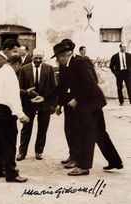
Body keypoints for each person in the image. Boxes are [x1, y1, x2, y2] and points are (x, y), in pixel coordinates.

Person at [51, 39, 107, 176]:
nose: (57, 61)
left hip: (92, 103)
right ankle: (115, 161)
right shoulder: (65, 66)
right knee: (98, 133)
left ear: (65, 54)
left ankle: (84, 167)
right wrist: (46, 97)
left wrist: (76, 99)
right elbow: (61, 87)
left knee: (87, 135)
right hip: (84, 104)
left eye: (58, 58)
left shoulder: (80, 63)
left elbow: (90, 84)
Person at [0, 54, 29, 182]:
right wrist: (21, 114)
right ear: (17, 64)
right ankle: (11, 173)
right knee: (9, 143)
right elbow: (13, 97)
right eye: (19, 66)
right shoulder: (11, 75)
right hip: (6, 111)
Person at [16, 48, 56, 161]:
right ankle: (22, 152)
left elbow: (53, 87)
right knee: (26, 129)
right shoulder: (24, 69)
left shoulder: (49, 69)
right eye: (36, 58)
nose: (38, 60)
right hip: (29, 104)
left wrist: (53, 104)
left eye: (40, 58)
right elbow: (20, 88)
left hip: (45, 104)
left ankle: (39, 151)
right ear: (32, 57)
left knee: (43, 128)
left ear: (43, 58)